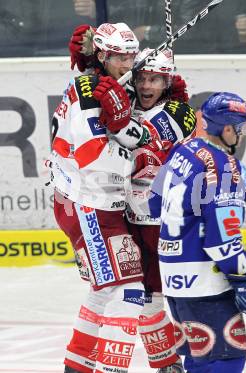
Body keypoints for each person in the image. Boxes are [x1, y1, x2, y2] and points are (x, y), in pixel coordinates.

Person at [67, 24, 194, 373]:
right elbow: (99, 97)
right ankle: (160, 363)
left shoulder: (179, 112)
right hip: (123, 212)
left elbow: (143, 142)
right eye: (143, 78)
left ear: (168, 83)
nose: (147, 86)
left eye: (156, 80)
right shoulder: (125, 93)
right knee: (127, 290)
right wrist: (90, 64)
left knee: (149, 295)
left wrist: (121, 119)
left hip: (158, 220)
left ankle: (165, 361)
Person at [148, 92, 246, 373]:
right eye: (240, 129)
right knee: (227, 358)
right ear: (227, 129)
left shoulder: (183, 149)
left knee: (198, 360)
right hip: (206, 282)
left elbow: (154, 204)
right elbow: (222, 238)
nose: (241, 135)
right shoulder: (225, 166)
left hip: (173, 280)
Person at [48, 22, 146, 373]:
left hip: (91, 204)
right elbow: (93, 154)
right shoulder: (90, 87)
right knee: (130, 292)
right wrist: (140, 158)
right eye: (120, 56)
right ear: (102, 56)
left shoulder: (106, 82)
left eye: (131, 55)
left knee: (106, 290)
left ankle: (77, 367)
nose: (128, 63)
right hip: (88, 205)